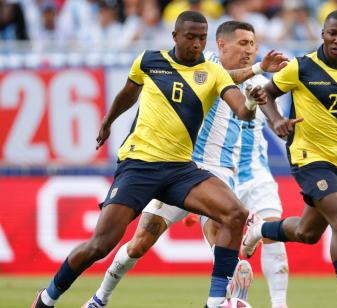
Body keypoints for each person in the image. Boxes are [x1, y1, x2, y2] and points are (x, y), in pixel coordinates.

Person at [32, 11, 266, 308]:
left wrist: (250, 101)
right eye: (191, 37)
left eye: (201, 39)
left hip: (181, 169)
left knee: (234, 213)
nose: (196, 44)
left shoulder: (214, 72)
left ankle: (216, 302)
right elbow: (128, 93)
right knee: (100, 245)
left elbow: (241, 111)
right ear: (175, 37)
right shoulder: (149, 61)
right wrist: (108, 120)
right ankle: (47, 298)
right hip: (139, 166)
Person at [82, 21, 291, 308]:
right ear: (221, 44)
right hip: (181, 167)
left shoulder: (254, 84)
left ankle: (226, 297)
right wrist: (257, 68)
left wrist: (279, 121)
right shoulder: (206, 66)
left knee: (220, 234)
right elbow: (216, 78)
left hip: (217, 173)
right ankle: (99, 298)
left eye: (253, 44)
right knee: (139, 243)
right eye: (242, 43)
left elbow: (265, 103)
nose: (249, 50)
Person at [241, 10, 337, 308]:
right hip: (307, 156)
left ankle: (259, 229)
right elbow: (267, 94)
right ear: (322, 33)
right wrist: (277, 122)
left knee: (307, 233)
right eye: (332, 33)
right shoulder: (301, 67)